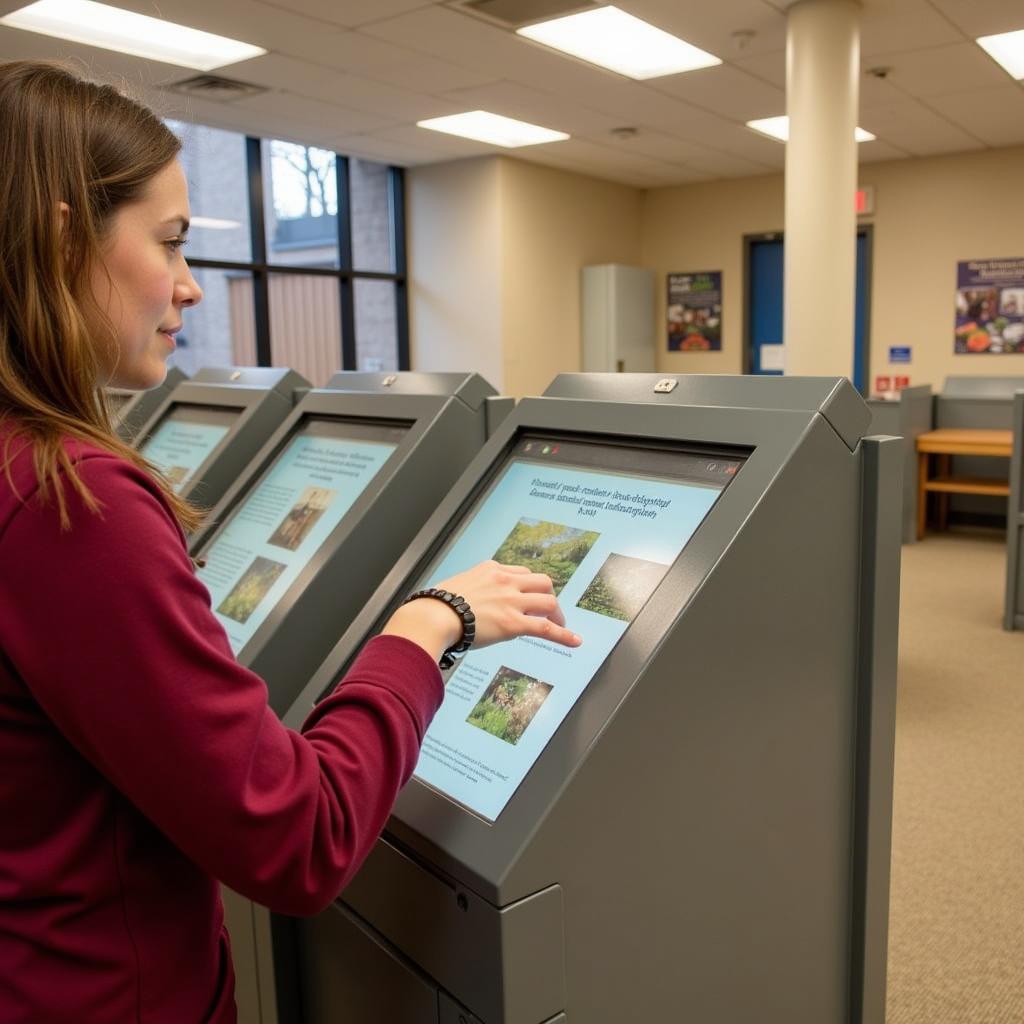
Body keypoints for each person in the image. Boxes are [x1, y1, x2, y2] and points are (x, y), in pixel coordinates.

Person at [0, 61, 581, 1023]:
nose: (189, 286)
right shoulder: (75, 501)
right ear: (63, 236)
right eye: (171, 241)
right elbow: (298, 837)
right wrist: (430, 624)